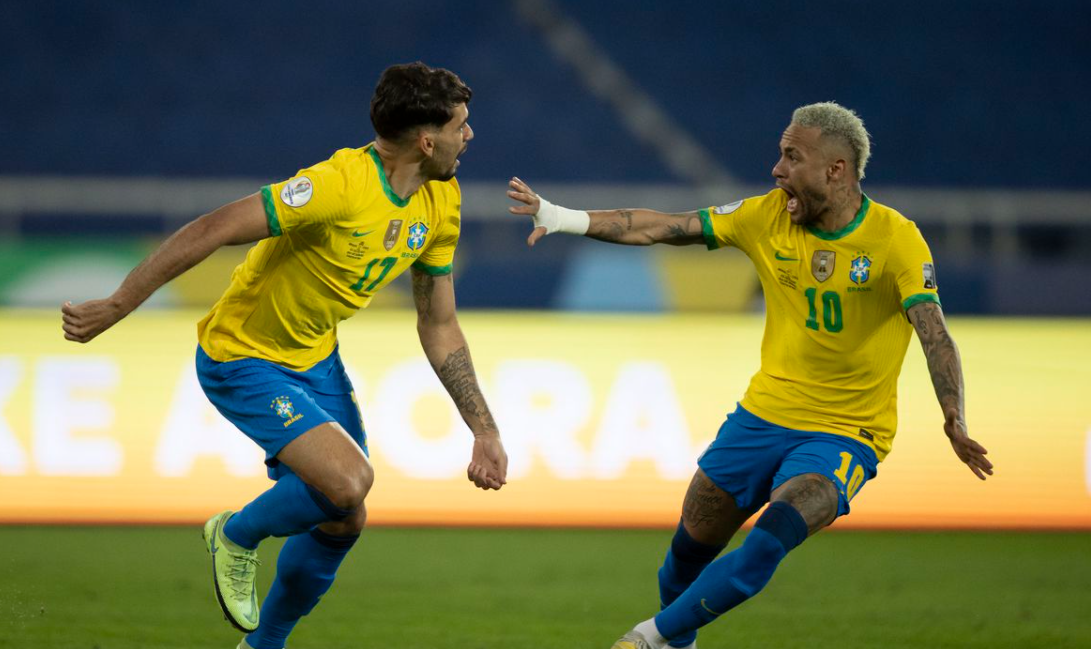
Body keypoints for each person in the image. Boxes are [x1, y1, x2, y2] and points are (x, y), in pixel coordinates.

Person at [508, 102, 992, 649]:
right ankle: (674, 638)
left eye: (791, 156)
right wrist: (563, 217)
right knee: (681, 564)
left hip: (846, 433)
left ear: (836, 169)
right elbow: (663, 227)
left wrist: (953, 415)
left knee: (771, 538)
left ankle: (644, 640)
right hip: (760, 419)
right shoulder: (766, 216)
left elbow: (933, 331)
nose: (776, 169)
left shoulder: (895, 239)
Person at [62, 61, 508, 649]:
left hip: (315, 359)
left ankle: (262, 646)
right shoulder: (338, 185)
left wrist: (484, 429)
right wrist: (119, 305)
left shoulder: (439, 203)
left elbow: (439, 322)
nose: (469, 136)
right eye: (461, 125)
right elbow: (214, 226)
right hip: (241, 354)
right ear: (427, 140)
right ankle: (235, 534)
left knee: (344, 515)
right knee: (349, 481)